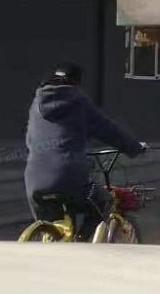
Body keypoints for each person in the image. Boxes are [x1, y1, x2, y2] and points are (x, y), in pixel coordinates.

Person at [24, 63, 147, 240]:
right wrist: (134, 147)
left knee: (53, 228)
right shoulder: (78, 100)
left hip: (34, 179)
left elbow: (31, 139)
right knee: (105, 201)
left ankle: (52, 238)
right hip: (68, 174)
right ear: (76, 81)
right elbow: (107, 129)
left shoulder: (36, 104)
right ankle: (82, 242)